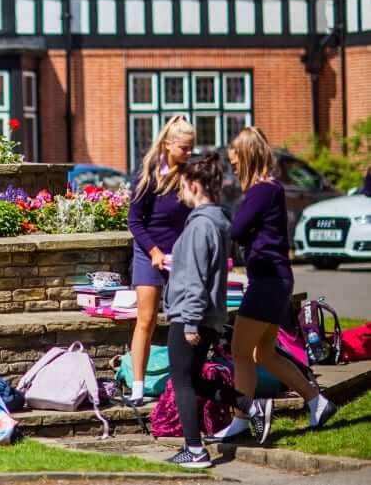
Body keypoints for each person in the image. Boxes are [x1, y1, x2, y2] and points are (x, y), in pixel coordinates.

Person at [207, 127, 336, 444]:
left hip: (267, 282)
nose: (232, 167)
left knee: (240, 350)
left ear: (247, 157)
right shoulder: (269, 189)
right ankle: (316, 401)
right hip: (276, 279)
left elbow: (235, 228)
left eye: (235, 162)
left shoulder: (261, 191)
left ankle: (241, 418)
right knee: (263, 353)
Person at [162, 152, 264, 468]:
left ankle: (195, 451)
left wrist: (190, 322)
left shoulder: (199, 226)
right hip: (209, 314)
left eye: (181, 187)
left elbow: (195, 279)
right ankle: (248, 404)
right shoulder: (218, 221)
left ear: (194, 185)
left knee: (182, 383)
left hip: (191, 316)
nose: (178, 193)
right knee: (193, 379)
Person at [125, 115, 194, 404]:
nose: (189, 154)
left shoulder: (190, 176)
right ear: (167, 145)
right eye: (184, 148)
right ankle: (138, 386)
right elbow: (134, 220)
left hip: (180, 255)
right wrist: (153, 251)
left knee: (186, 320)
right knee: (147, 319)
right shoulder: (148, 175)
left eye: (192, 148)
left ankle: (186, 382)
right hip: (149, 252)